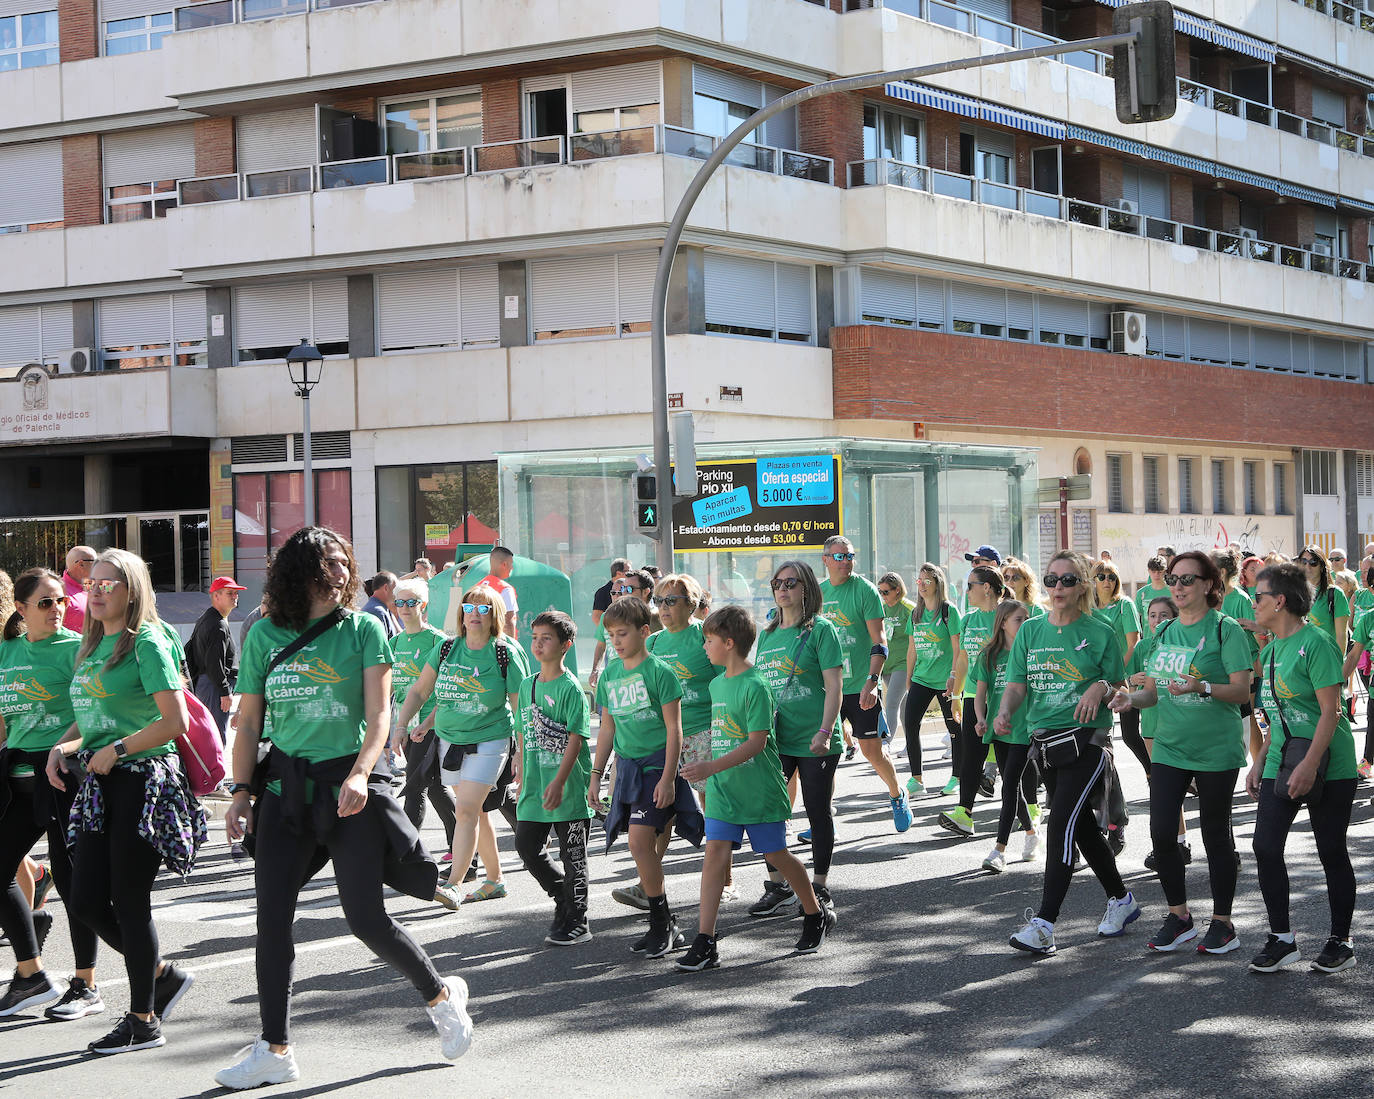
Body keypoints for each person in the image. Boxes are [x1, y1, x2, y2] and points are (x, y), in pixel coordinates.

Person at [219, 527, 471, 1089]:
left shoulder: (363, 629)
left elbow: (380, 718)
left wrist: (360, 774)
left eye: (342, 563)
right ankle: (274, 1047)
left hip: (350, 789)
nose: (338, 573)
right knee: (271, 921)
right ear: (297, 572)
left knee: (364, 919)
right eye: (325, 563)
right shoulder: (263, 636)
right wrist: (240, 791)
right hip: (286, 791)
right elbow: (251, 723)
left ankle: (440, 995)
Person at [45, 548, 201, 1054]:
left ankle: (143, 1020)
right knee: (87, 900)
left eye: (109, 583)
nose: (96, 589)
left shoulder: (148, 641)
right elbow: (89, 713)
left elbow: (174, 722)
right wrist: (63, 745)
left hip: (144, 780)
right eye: (93, 582)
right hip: (101, 780)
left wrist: (117, 749)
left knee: (130, 901)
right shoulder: (92, 644)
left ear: (131, 590)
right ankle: (161, 976)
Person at [1109, 551, 1253, 954]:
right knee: (1161, 832)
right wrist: (1129, 700)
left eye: (1188, 579)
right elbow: (1152, 693)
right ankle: (1180, 916)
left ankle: (1223, 923)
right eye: (1174, 578)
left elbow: (1242, 691)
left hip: (1215, 749)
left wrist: (1201, 687)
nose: (1178, 586)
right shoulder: (1165, 632)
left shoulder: (1226, 630)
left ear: (1209, 585)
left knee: (1215, 836)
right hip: (1170, 748)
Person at [677, 606, 834, 970]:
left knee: (777, 855)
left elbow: (756, 742)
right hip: (722, 791)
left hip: (758, 790)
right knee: (715, 855)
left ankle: (814, 913)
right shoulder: (716, 683)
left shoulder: (756, 684)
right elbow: (720, 736)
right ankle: (706, 940)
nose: (704, 647)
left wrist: (710, 765)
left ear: (729, 643)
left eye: (709, 641)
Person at [999, 550, 1138, 956]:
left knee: (1060, 823)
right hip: (1045, 746)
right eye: (1051, 579)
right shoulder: (1030, 630)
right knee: (1080, 828)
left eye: (1068, 580)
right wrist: (1006, 711)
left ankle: (1043, 925)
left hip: (1088, 744)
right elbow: (1017, 684)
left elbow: (1122, 688)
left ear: (1083, 587)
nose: (1058, 587)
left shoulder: (1101, 630)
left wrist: (1102, 687)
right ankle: (1122, 900)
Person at [0, 569, 102, 1020]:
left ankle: (86, 984)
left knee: (72, 880)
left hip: (62, 776)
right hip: (16, 780)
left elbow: (94, 713)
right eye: (45, 603)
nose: (57, 609)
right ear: (20, 609)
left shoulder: (77, 648)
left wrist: (64, 747)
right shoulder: (6, 651)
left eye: (60, 600)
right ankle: (32, 975)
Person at [1247, 562, 1359, 974]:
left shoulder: (1316, 643)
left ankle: (1340, 941)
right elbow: (1277, 715)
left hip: (1331, 760)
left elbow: (1331, 712)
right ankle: (1282, 939)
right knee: (1264, 845)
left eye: (1258, 597)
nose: (1253, 603)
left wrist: (1311, 765)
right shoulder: (1271, 649)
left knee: (1331, 849)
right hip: (1284, 754)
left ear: (1279, 600)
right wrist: (1259, 761)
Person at [396, 583, 529, 912]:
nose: (474, 614)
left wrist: (521, 752)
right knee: (478, 813)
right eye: (469, 607)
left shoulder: (505, 652)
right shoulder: (446, 649)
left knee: (466, 810)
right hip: (450, 741)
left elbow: (523, 705)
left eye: (483, 609)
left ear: (494, 614)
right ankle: (494, 880)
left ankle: (454, 883)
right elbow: (420, 690)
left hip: (491, 739)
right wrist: (405, 724)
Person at [588, 595, 701, 958]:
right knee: (640, 846)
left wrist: (669, 778)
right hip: (628, 768)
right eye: (611, 636)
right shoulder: (609, 674)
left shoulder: (659, 673)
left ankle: (661, 921)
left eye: (623, 633)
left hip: (657, 767)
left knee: (638, 843)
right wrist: (596, 774)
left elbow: (675, 730)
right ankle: (663, 921)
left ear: (644, 632)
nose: (617, 642)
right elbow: (606, 728)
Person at [751, 561, 843, 917]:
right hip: (777, 738)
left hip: (815, 737)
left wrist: (825, 730)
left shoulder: (821, 630)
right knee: (767, 811)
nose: (783, 588)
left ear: (807, 588)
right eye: (778, 582)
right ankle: (778, 885)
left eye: (791, 582)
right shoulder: (769, 634)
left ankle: (819, 886)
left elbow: (834, 687)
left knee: (817, 810)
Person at [818, 536, 911, 831]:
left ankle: (897, 794)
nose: (846, 562)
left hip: (861, 685)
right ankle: (823, 818)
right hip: (829, 688)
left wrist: (872, 683)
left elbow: (879, 641)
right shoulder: (817, 595)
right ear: (825, 560)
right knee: (826, 754)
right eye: (839, 557)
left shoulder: (865, 591)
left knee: (872, 751)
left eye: (850, 556)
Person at [514, 611, 594, 946]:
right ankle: (562, 894)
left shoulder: (571, 688)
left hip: (567, 788)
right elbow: (522, 731)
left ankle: (578, 920)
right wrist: (519, 767)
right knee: (526, 847)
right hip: (534, 786)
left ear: (565, 645)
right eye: (534, 638)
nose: (538, 644)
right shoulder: (526, 684)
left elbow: (576, 738)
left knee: (573, 855)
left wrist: (560, 782)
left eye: (546, 638)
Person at [643, 573, 721, 899]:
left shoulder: (705, 635)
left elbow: (728, 680)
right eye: (659, 601)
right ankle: (649, 882)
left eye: (671, 601)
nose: (663, 607)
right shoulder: (653, 643)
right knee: (664, 807)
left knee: (711, 806)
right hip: (665, 738)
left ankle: (722, 877)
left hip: (704, 731)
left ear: (691, 604)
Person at [387, 578, 455, 860]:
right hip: (406, 723)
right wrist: (394, 727)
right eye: (399, 602)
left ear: (422, 605)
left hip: (432, 723)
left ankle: (406, 855)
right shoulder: (394, 642)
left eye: (411, 602)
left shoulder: (438, 641)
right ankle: (464, 848)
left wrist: (430, 722)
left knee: (415, 786)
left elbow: (449, 685)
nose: (404, 607)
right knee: (435, 787)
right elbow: (389, 689)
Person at [972, 600, 1039, 872]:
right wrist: (979, 719)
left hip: (1023, 728)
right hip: (997, 729)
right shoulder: (988, 655)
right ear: (1003, 623)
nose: (1024, 623)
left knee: (1008, 783)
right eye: (1018, 619)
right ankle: (1033, 835)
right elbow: (980, 694)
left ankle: (999, 849)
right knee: (1014, 787)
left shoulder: (1032, 652)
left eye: (1026, 618)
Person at [941, 564, 1005, 836]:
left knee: (1012, 760)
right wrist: (956, 693)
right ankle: (964, 813)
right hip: (972, 697)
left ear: (987, 588)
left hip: (1004, 697)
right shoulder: (968, 619)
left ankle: (1031, 816)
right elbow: (964, 657)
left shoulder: (1010, 615)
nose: (966, 591)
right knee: (971, 756)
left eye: (970, 585)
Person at [902, 562, 962, 803]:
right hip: (922, 678)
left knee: (955, 729)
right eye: (919, 581)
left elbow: (958, 648)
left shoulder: (949, 612)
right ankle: (916, 779)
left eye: (927, 581)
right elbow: (912, 650)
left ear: (938, 583)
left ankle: (957, 778)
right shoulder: (915, 614)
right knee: (910, 722)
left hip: (946, 679)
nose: (923, 586)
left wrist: (954, 676)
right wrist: (908, 678)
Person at [1094, 561, 1145, 788]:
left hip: (1126, 679)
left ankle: (1155, 773)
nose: (1107, 581)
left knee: (1130, 735)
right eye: (1102, 576)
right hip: (1098, 681)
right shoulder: (1089, 609)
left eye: (1112, 577)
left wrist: (1122, 676)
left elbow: (1133, 644)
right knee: (1098, 737)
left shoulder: (1125, 605)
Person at [187, 576, 245, 742]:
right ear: (216, 596)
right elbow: (214, 662)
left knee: (210, 734)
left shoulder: (208, 619)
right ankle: (215, 768)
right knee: (215, 736)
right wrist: (224, 691)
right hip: (213, 686)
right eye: (230, 593)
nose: (235, 596)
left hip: (208, 685)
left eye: (236, 593)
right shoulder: (216, 624)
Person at [588, 569, 657, 689]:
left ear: (646, 592)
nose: (623, 593)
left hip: (644, 682)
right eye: (623, 589)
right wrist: (595, 670)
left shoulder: (656, 619)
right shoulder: (608, 616)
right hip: (614, 680)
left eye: (629, 589)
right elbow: (601, 644)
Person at [877, 572, 914, 766]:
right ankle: (911, 744)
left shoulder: (909, 609)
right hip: (887, 665)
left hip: (904, 664)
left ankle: (885, 743)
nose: (882, 595)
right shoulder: (881, 609)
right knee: (903, 708)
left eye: (885, 592)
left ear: (897, 590)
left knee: (890, 702)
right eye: (880, 592)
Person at [480, 546, 520, 639]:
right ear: (504, 564)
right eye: (511, 564)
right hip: (499, 644)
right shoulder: (505, 589)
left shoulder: (477, 586)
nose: (512, 568)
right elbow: (508, 623)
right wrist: (512, 649)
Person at [590, 557, 631, 632]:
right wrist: (609, 634)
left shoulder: (630, 588)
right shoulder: (602, 592)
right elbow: (596, 617)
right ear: (618, 573)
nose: (631, 574)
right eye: (628, 571)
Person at [62, 545, 96, 632]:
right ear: (81, 564)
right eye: (95, 561)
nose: (98, 565)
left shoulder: (94, 584)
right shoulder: (59, 590)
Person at [361, 572, 401, 640]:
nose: (397, 592)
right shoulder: (376, 611)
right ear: (386, 588)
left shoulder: (382, 609)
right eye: (395, 588)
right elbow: (378, 646)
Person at [1135, 556, 1172, 624]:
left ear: (1165, 571)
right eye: (1153, 571)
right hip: (1148, 634)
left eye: (1160, 572)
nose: (1156, 575)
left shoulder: (1173, 592)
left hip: (1169, 633)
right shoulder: (1141, 593)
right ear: (1148, 571)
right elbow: (1137, 618)